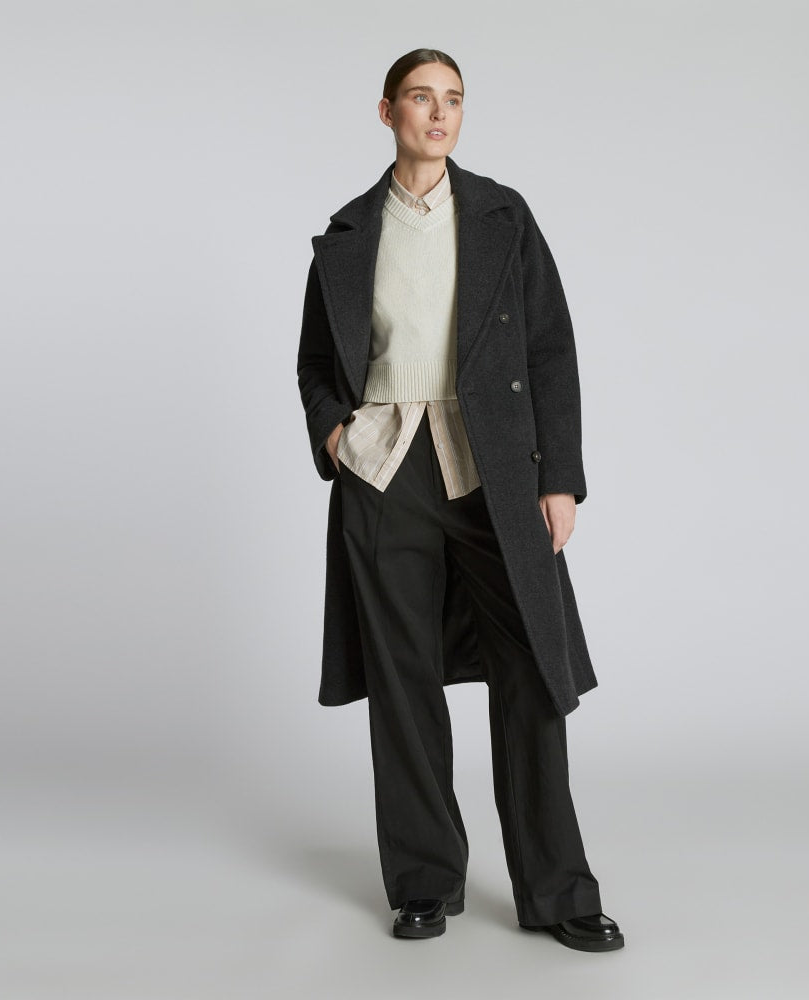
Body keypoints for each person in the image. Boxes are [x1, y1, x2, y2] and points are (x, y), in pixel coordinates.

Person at [297, 47, 623, 953]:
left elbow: (550, 347)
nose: (438, 114)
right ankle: (424, 884)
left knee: (532, 673)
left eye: (453, 100)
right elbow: (316, 364)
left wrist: (558, 476)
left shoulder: (502, 217)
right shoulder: (348, 234)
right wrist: (337, 436)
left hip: (493, 468)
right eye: (420, 98)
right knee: (402, 680)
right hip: (384, 471)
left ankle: (559, 892)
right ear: (387, 112)